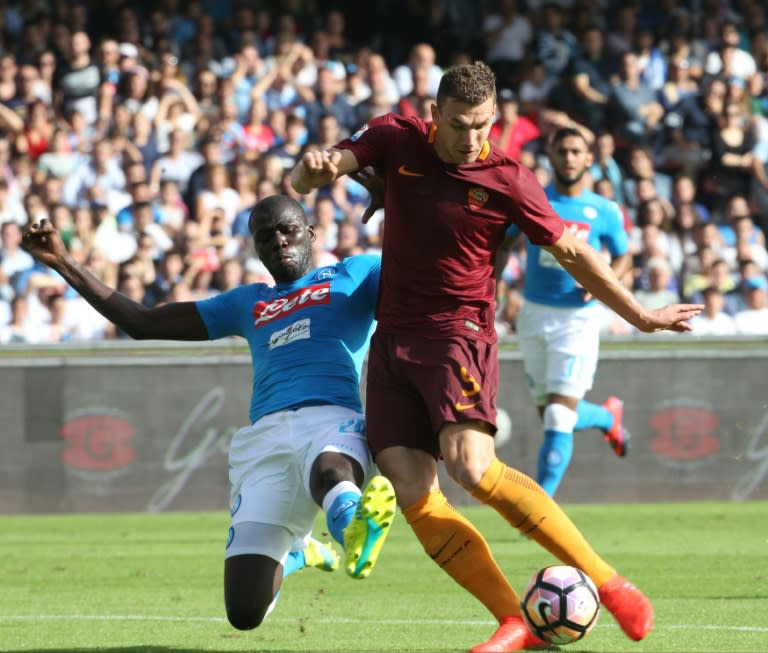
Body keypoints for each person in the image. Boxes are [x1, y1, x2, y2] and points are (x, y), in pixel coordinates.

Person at [290, 61, 702, 653]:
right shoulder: (395, 137)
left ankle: (610, 584)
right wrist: (310, 173)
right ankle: (516, 621)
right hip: (392, 339)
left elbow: (573, 251)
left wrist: (639, 314)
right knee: (410, 489)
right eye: (460, 125)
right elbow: (313, 177)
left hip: (459, 332)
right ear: (435, 117)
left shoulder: (509, 178)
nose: (472, 138)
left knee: (471, 465)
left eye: (483, 125)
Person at [22, 195, 396, 631]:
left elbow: (423, 268)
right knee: (243, 613)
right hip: (265, 440)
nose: (278, 240)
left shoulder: (357, 273)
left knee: (332, 471)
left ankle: (353, 529)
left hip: (333, 417)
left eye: (288, 230)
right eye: (265, 236)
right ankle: (301, 552)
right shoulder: (247, 302)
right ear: (256, 248)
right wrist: (63, 262)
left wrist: (401, 193)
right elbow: (143, 323)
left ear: (311, 233)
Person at [501, 127, 632, 498]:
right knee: (552, 414)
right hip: (533, 314)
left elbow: (625, 257)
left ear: (588, 158)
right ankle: (607, 416)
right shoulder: (534, 201)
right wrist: (500, 289)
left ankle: (540, 508)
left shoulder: (604, 210)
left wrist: (602, 282)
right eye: (563, 151)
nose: (570, 158)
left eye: (577, 151)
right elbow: (505, 243)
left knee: (560, 415)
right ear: (552, 156)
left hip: (577, 319)